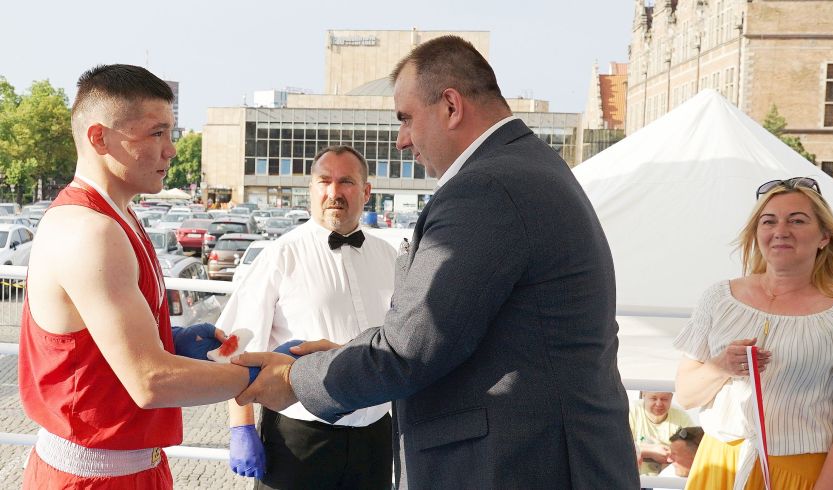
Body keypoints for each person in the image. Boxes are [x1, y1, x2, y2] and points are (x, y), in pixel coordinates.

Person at [234, 35, 639, 489]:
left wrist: (295, 378)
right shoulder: (528, 165)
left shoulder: (486, 188)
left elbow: (411, 349)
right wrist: (344, 357)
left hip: (522, 465)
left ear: (451, 106)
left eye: (406, 118)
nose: (402, 141)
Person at [17, 64, 268, 489]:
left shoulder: (117, 214)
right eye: (156, 133)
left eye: (171, 132)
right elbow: (150, 381)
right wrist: (267, 376)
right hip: (89, 476)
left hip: (132, 465)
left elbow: (93, 347)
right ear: (100, 138)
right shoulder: (89, 230)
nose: (171, 150)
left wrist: (168, 340)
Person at [217, 145, 396, 489]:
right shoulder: (280, 255)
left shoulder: (389, 257)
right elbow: (235, 349)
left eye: (346, 181)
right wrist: (241, 427)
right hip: (298, 439)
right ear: (311, 189)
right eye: (324, 181)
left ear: (366, 192)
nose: (334, 192)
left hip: (374, 438)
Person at [674, 177, 833, 489]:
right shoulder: (719, 298)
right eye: (769, 221)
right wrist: (721, 366)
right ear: (757, 233)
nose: (781, 230)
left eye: (797, 220)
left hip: (797, 475)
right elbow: (685, 394)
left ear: (824, 237)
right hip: (717, 465)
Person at [629, 391, 694, 475]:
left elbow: (694, 448)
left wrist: (670, 453)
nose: (659, 404)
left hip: (669, 478)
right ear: (643, 395)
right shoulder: (631, 410)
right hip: (635, 477)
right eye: (653, 398)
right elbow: (618, 447)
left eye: (664, 399)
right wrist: (650, 451)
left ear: (671, 397)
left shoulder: (682, 416)